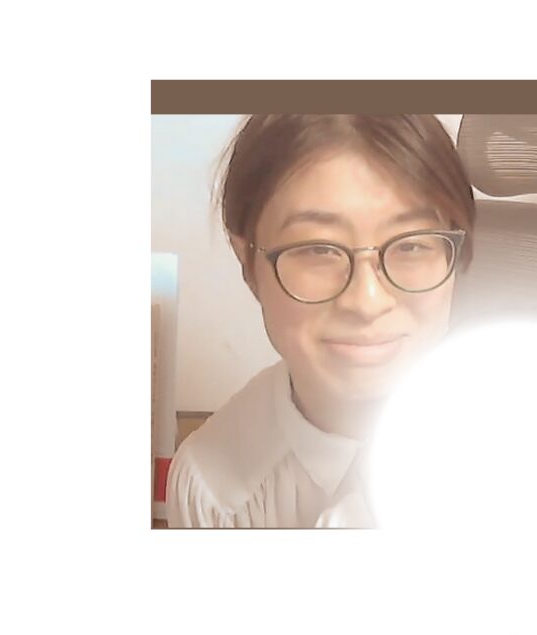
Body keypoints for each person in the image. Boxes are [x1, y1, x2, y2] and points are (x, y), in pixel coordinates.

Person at [166, 114, 476, 528]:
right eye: (317, 249)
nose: (367, 302)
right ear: (248, 262)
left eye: (412, 246)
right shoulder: (214, 493)